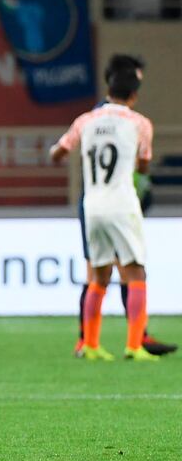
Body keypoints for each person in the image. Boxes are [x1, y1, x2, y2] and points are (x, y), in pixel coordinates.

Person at [50, 64, 158, 362]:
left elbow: (57, 153)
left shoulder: (86, 120)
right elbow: (144, 163)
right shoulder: (140, 122)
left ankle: (91, 344)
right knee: (135, 271)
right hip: (122, 201)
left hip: (92, 204)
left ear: (107, 90)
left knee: (98, 275)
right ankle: (135, 345)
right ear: (133, 95)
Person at [72, 55, 176, 357]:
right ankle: (95, 339)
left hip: (105, 201)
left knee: (115, 269)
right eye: (136, 79)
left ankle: (131, 335)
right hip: (103, 201)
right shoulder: (111, 119)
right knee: (107, 270)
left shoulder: (101, 118)